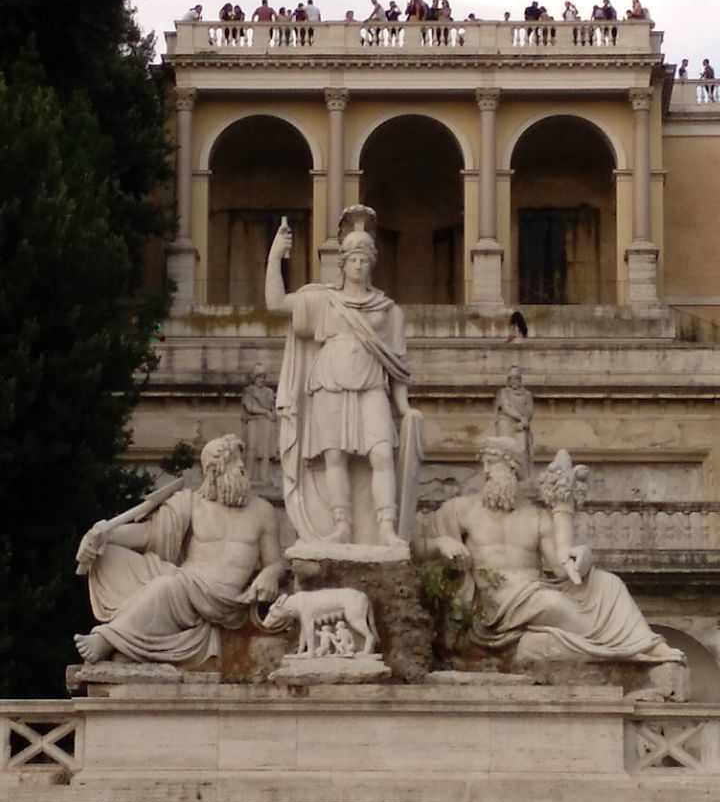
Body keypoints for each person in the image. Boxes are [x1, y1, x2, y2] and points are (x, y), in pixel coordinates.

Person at [419, 438, 684, 665]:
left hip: (531, 589)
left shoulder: (536, 516)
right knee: (551, 602)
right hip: (492, 602)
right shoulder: (461, 509)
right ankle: (624, 647)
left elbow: (560, 566)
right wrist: (441, 544)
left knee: (609, 583)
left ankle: (645, 644)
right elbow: (417, 549)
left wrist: (583, 555)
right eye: (484, 464)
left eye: (493, 463)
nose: (486, 471)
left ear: (513, 468)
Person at [265, 205, 423, 547]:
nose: (358, 264)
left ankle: (385, 526)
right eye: (352, 258)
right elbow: (275, 303)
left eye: (365, 259)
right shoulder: (324, 301)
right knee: (334, 455)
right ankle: (341, 525)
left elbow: (396, 366)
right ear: (343, 263)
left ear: (373, 263)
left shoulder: (389, 310)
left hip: (370, 382)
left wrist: (404, 406)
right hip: (329, 381)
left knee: (381, 452)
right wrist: (276, 257)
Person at [73, 435, 284, 666]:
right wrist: (104, 536)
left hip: (220, 598)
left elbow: (275, 562)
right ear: (213, 472)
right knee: (110, 555)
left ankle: (105, 640)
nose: (242, 468)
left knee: (166, 586)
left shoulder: (262, 511)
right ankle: (131, 645)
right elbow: (147, 534)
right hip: (184, 580)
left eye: (240, 462)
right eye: (233, 463)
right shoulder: (192, 504)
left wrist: (270, 573)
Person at [241, 364, 277, 482]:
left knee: (266, 449)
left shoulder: (269, 392)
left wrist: (268, 412)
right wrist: (266, 412)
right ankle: (249, 475)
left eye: (263, 377)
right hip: (253, 421)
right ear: (254, 378)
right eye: (258, 377)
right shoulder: (248, 391)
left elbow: (271, 406)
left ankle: (264, 476)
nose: (261, 380)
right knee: (252, 447)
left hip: (266, 422)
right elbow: (250, 407)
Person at [493, 366, 534, 471]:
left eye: (516, 378)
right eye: (511, 379)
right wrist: (521, 418)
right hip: (507, 423)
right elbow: (506, 408)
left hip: (522, 426)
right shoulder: (504, 393)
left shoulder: (527, 394)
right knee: (505, 449)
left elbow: (529, 411)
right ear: (508, 381)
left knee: (522, 451)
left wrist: (524, 422)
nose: (514, 381)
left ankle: (522, 475)